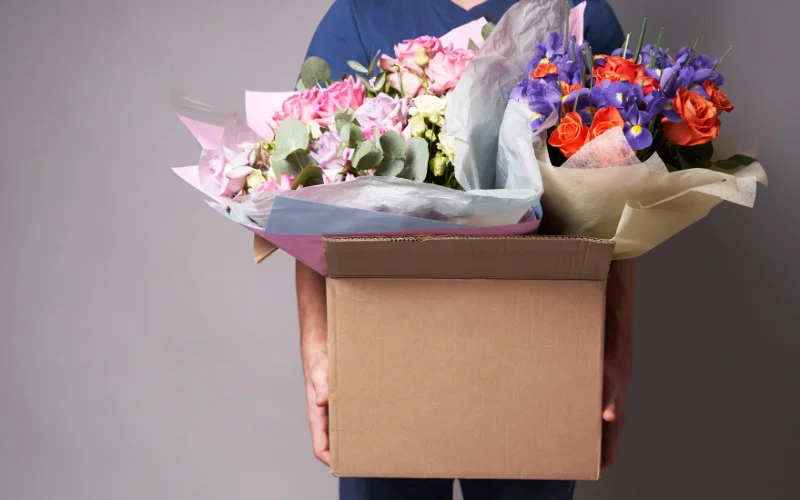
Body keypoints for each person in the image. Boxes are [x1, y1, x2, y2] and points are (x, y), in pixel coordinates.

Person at [297, 1, 636, 499]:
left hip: (540, 346)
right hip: (385, 344)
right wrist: (318, 350)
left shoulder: (578, 13)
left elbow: (617, 212)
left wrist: (613, 352)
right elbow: (308, 205)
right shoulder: (360, 15)